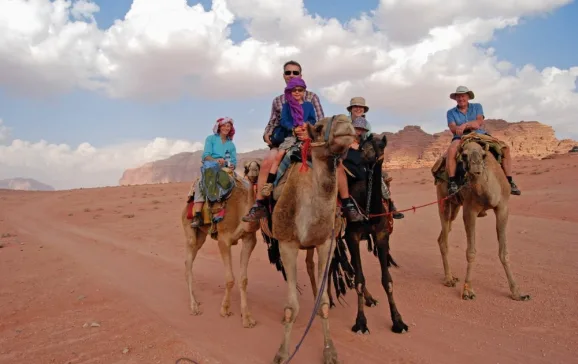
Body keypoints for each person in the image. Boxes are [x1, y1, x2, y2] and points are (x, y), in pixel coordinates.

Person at [242, 60, 364, 222]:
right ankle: (260, 204)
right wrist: (267, 135)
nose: (291, 75)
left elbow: (320, 121)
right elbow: (272, 123)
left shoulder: (311, 98)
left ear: (301, 75)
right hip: (285, 140)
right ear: (283, 76)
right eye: (288, 72)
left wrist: (309, 132)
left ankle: (347, 204)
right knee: (267, 163)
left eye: (295, 72)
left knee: (336, 164)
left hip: (310, 140)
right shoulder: (278, 101)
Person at [446, 86, 521, 195]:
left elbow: (478, 122)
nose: (461, 98)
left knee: (505, 149)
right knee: (452, 150)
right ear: (455, 98)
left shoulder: (477, 107)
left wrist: (464, 125)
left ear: (468, 97)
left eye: (463, 96)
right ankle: (452, 182)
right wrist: (467, 127)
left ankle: (509, 181)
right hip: (461, 137)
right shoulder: (451, 112)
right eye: (458, 96)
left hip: (479, 134)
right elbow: (453, 128)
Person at [344, 97, 404, 219]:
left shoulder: (367, 124)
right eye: (355, 106)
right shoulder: (344, 122)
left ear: (364, 110)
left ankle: (389, 204)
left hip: (361, 154)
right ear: (351, 109)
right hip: (346, 155)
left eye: (361, 107)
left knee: (380, 176)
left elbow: (368, 140)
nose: (358, 109)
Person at [189, 117, 237, 228]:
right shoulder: (210, 139)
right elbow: (206, 155)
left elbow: (233, 161)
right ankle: (197, 215)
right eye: (224, 125)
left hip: (225, 168)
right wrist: (216, 161)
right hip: (210, 166)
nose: (226, 128)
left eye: (228, 126)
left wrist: (227, 163)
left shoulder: (231, 145)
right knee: (201, 183)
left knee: (238, 184)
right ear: (219, 127)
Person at [267, 77, 317, 181]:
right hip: (291, 136)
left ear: (304, 91)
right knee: (279, 155)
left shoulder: (309, 105)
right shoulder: (286, 106)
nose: (297, 92)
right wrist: (293, 128)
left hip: (306, 136)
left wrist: (306, 125)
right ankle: (269, 183)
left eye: (300, 90)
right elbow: (283, 121)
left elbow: (313, 120)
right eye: (294, 90)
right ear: (290, 92)